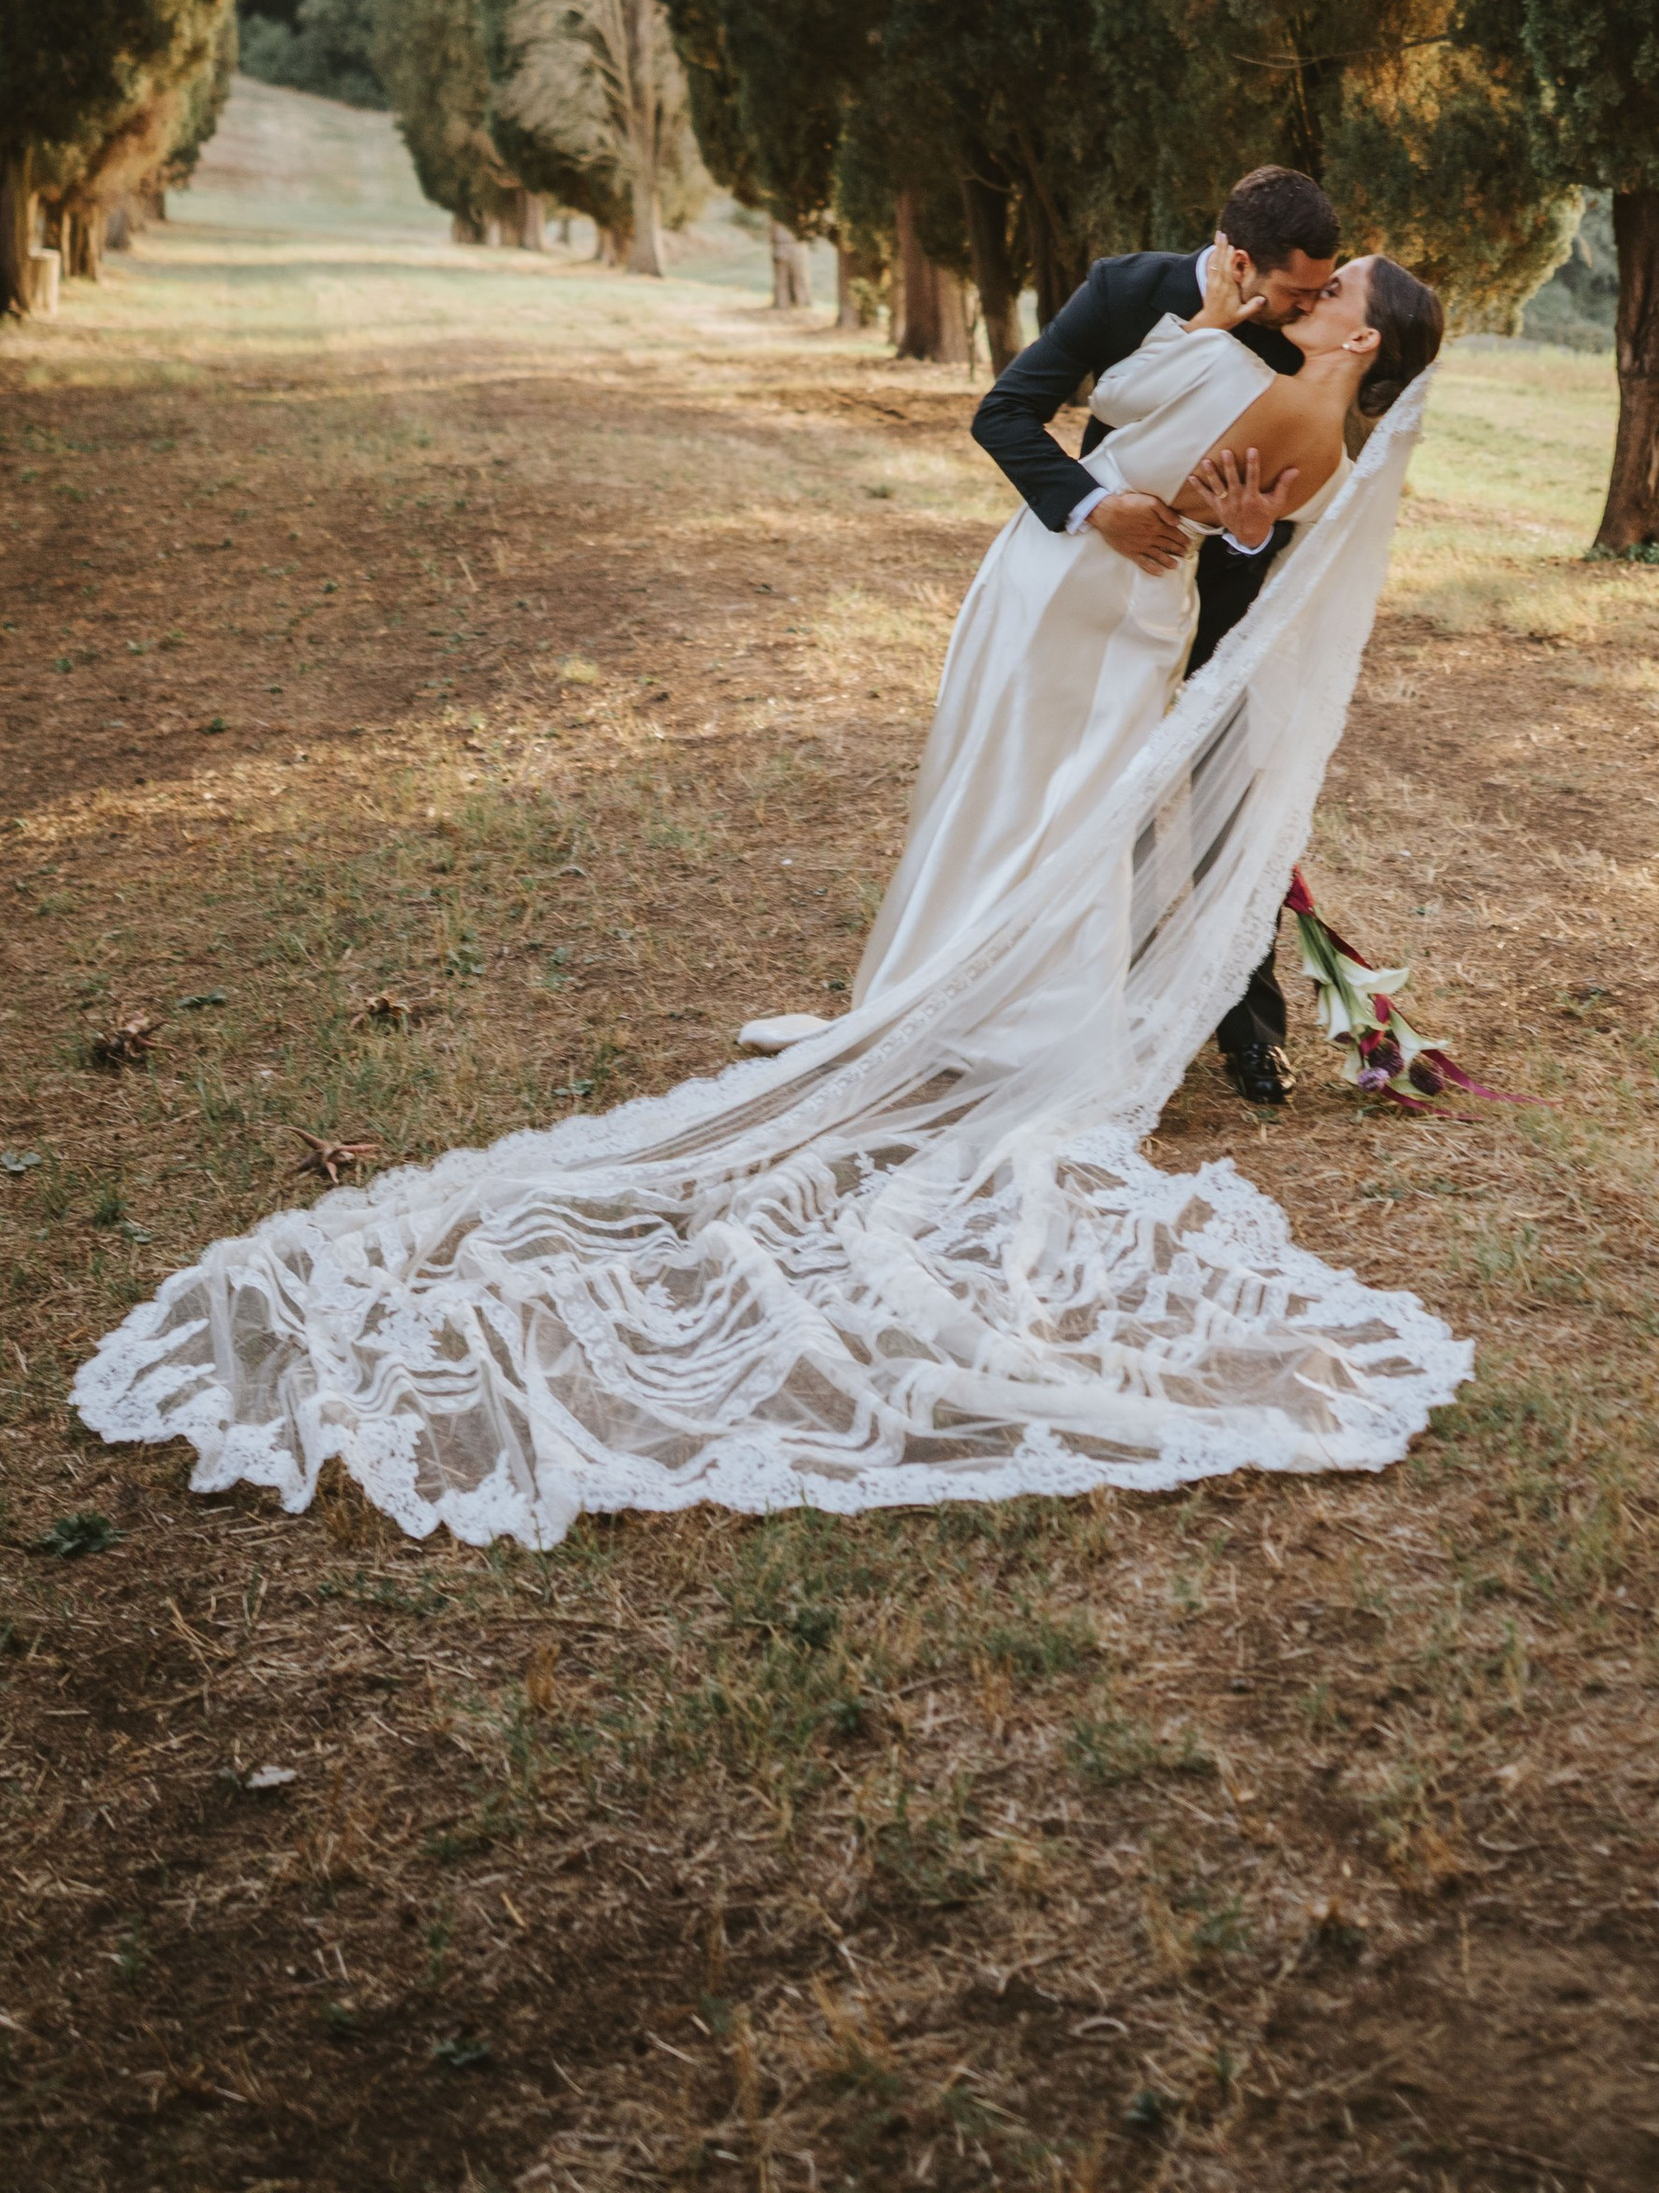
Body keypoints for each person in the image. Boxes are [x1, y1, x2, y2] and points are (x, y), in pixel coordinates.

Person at [74, 227, 1454, 1547]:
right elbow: (1061, 426)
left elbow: (1224, 489)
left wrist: (1226, 499)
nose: (1321, 289)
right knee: (1021, 818)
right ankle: (975, 995)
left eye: (1343, 288)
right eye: (1315, 274)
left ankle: (1034, 1017)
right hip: (1091, 587)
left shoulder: (1285, 384)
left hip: (1137, 608)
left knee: (1070, 830)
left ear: (1359, 328)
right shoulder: (1240, 358)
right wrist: (1175, 495)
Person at [971, 165, 1342, 1102]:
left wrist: (1255, 536)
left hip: (1224, 602)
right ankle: (1105, 1011)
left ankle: (1249, 1028)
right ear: (1242, 261)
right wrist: (1095, 506)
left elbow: (1295, 506)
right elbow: (1004, 413)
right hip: (1106, 591)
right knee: (1105, 801)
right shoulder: (1124, 290)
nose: (1313, 304)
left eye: (1320, 290)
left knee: (1229, 800)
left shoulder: (1310, 339)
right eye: (1298, 288)